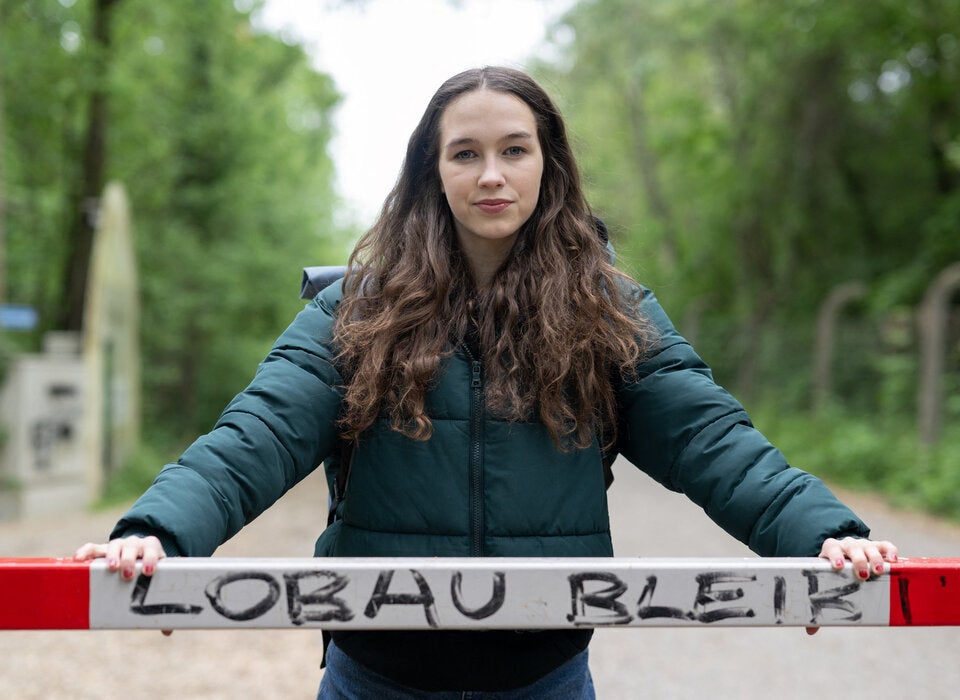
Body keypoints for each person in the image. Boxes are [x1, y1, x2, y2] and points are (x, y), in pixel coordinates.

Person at [76, 66, 898, 698]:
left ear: (549, 164)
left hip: (545, 674)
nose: (491, 174)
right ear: (434, 172)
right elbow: (257, 435)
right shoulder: (352, 309)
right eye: (465, 153)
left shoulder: (609, 310)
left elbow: (714, 441)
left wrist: (818, 534)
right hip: (377, 673)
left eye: (514, 149)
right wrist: (159, 532)